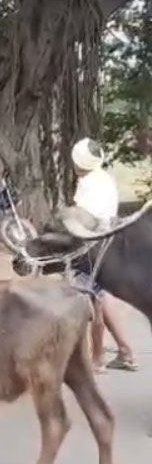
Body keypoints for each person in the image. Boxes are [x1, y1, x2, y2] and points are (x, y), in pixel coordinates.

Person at [69, 138, 137, 372]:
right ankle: (125, 351)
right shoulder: (104, 178)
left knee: (92, 300)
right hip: (108, 242)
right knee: (101, 297)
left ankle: (97, 357)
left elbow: (84, 217)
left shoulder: (88, 183)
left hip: (91, 245)